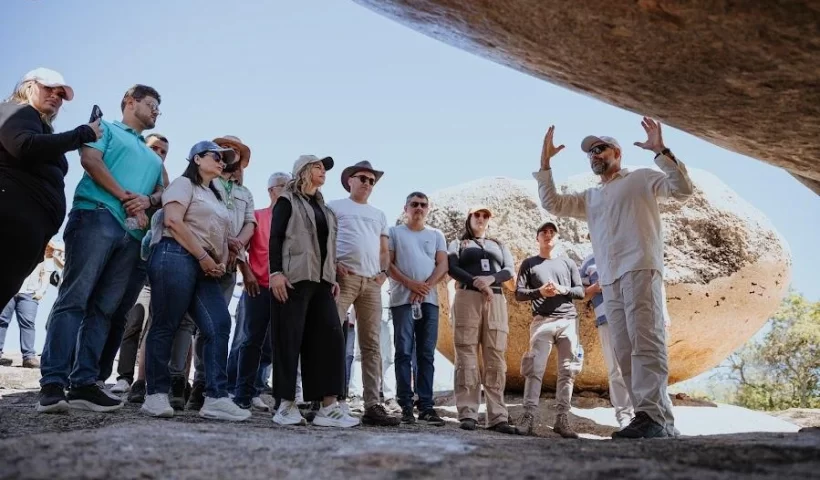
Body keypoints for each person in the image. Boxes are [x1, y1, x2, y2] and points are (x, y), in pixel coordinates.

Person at [535, 119, 693, 438]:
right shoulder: (591, 197)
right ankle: (648, 417)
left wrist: (661, 151)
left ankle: (656, 419)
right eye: (590, 152)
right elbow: (553, 203)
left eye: (600, 148)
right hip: (610, 280)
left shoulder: (640, 178)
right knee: (624, 351)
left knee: (646, 344)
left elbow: (682, 190)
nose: (594, 154)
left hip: (640, 269)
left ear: (617, 153)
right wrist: (545, 164)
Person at [37, 85, 164, 414]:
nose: (156, 111)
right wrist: (125, 196)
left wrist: (147, 200)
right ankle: (53, 383)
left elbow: (161, 193)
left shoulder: (154, 157)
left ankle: (84, 384)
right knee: (74, 300)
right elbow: (90, 160)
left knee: (105, 310)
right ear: (130, 101)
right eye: (151, 104)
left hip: (131, 236)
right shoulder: (103, 127)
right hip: (96, 216)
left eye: (158, 108)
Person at [140, 140, 249, 422]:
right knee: (166, 323)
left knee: (219, 324)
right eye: (216, 156)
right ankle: (155, 394)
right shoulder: (183, 184)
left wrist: (223, 252)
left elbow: (213, 231)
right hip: (175, 253)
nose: (222, 162)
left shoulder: (214, 196)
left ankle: (216, 397)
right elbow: (173, 221)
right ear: (197, 159)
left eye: (224, 159)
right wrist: (203, 256)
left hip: (205, 266)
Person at [268, 154, 358, 428]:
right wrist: (275, 273)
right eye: (318, 167)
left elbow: (326, 246)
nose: (323, 171)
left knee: (330, 339)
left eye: (324, 168)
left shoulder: (325, 209)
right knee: (289, 339)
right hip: (293, 279)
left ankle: (327, 408)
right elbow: (275, 237)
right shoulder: (287, 201)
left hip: (322, 282)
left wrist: (332, 277)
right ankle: (285, 405)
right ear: (304, 171)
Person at [0, 68, 101, 309]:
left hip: (27, 234)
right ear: (29, 86)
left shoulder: (39, 126)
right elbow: (23, 145)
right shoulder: (17, 110)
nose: (55, 96)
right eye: (49, 89)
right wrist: (82, 134)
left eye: (61, 94)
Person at [187, 135, 256, 411]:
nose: (232, 154)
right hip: (201, 256)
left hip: (228, 265)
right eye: (228, 149)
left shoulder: (245, 192)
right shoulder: (205, 181)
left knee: (216, 325)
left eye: (237, 151)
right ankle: (179, 382)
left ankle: (204, 385)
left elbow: (249, 222)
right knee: (188, 325)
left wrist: (237, 244)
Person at [328, 160, 398, 427]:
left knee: (371, 345)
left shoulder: (379, 214)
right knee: (331, 338)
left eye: (371, 180)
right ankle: (326, 400)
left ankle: (372, 405)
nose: (368, 183)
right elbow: (325, 240)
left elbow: (384, 249)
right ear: (350, 180)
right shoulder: (335, 206)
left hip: (371, 283)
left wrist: (383, 274)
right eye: (363, 178)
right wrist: (333, 264)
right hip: (343, 279)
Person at [104, 133, 172, 395]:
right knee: (131, 320)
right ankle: (123, 376)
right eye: (155, 148)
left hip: (153, 264)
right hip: (126, 252)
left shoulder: (165, 187)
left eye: (164, 151)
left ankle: (144, 380)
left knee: (152, 325)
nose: (159, 154)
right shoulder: (132, 173)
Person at [447, 206, 519, 434]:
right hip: (467, 295)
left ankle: (497, 416)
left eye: (485, 215)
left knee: (495, 354)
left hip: (495, 297)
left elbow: (509, 270)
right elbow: (452, 268)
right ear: (469, 218)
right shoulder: (458, 244)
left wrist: (489, 279)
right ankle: (468, 412)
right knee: (466, 352)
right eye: (476, 215)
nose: (481, 218)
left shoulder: (498, 244)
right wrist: (476, 282)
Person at [514, 221, 584, 438]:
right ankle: (528, 417)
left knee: (568, 371)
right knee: (534, 369)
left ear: (557, 238)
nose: (548, 235)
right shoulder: (529, 264)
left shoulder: (568, 263)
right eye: (543, 232)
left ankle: (562, 419)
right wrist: (540, 292)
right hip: (541, 321)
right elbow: (519, 294)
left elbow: (580, 292)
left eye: (552, 232)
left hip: (568, 321)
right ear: (537, 238)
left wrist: (562, 289)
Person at [387, 192, 448, 426]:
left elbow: (443, 264)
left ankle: (426, 406)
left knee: (426, 354)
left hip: (429, 301)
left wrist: (424, 287)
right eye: (414, 204)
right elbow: (388, 264)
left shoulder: (436, 235)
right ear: (406, 208)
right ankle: (405, 405)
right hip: (402, 301)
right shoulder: (394, 233)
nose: (419, 208)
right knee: (403, 351)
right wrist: (410, 284)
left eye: (423, 205)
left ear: (428, 209)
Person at [234, 171, 291, 411]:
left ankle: (276, 397)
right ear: (271, 191)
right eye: (284, 186)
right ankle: (242, 394)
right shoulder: (257, 217)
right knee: (251, 340)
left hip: (287, 290)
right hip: (258, 287)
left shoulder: (294, 220)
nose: (289, 190)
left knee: (279, 345)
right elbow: (240, 248)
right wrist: (246, 273)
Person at [580, 251, 634, 429]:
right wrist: (596, 288)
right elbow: (581, 294)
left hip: (632, 315)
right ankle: (624, 416)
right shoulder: (588, 262)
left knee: (641, 364)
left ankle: (646, 413)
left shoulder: (625, 251)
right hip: (606, 319)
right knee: (615, 369)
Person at [0, 242, 60, 368]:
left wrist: (41, 291)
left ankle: (28, 357)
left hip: (29, 294)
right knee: (2, 321)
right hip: (9, 290)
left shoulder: (40, 255)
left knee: (28, 323)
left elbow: (45, 274)